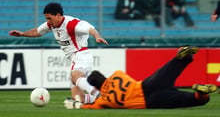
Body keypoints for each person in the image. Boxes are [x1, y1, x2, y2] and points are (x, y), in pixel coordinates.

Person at [9, 2, 108, 104]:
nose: (48, 21)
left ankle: (97, 93)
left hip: (81, 55)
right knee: (78, 99)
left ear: (58, 15)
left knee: (75, 77)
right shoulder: (51, 24)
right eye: (46, 19)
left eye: (49, 18)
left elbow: (90, 29)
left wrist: (97, 36)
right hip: (74, 59)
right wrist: (22, 34)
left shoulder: (71, 24)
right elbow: (38, 32)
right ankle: (101, 99)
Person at [65, 46, 218, 109]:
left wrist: (75, 104)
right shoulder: (118, 74)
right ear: (104, 76)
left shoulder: (104, 100)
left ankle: (201, 94)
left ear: (96, 87)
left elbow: (88, 106)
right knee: (168, 71)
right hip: (147, 85)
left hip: (151, 101)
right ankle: (182, 58)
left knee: (189, 100)